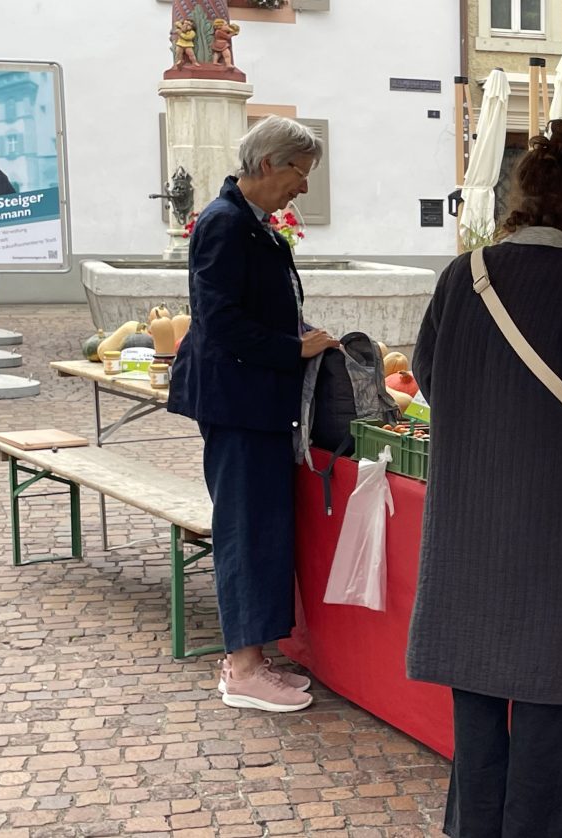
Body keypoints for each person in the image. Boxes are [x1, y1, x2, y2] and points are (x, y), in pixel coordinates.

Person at [405, 119, 562, 838]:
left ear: (522, 199)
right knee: (550, 696)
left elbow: (426, 375)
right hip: (548, 519)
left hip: (466, 513)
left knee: (476, 700)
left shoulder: (463, 274)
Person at [167, 116, 337, 713]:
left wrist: (301, 331)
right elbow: (220, 322)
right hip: (238, 403)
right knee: (245, 529)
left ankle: (254, 656)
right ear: (268, 164)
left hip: (254, 401)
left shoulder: (252, 223)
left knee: (262, 527)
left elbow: (257, 307)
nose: (303, 187)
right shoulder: (224, 224)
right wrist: (293, 348)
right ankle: (242, 669)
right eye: (299, 172)